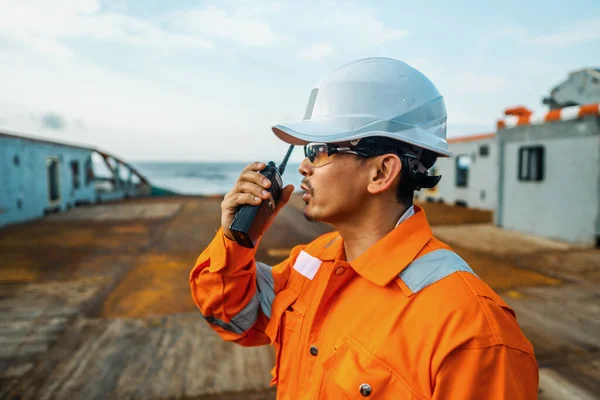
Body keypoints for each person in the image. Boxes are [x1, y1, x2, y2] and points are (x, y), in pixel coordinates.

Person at [190, 58, 539, 399]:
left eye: (320, 150)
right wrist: (238, 239)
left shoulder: (472, 331)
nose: (304, 167)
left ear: (381, 173)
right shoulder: (311, 262)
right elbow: (232, 317)